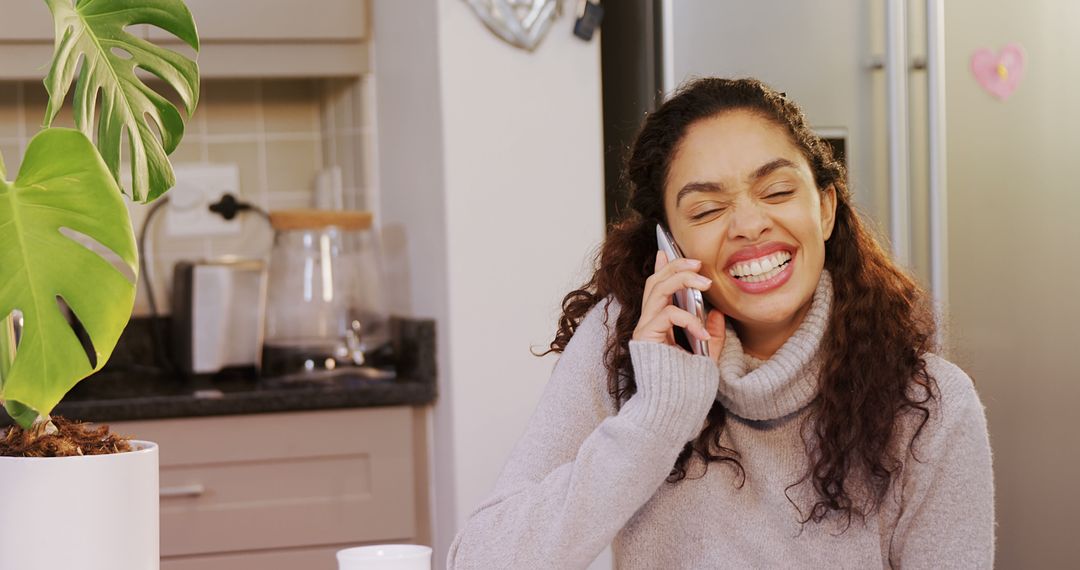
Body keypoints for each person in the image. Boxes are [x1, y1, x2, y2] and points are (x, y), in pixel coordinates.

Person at [447, 78, 994, 569]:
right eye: (707, 210)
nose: (750, 225)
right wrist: (655, 419)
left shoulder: (930, 405)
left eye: (777, 191)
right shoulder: (624, 342)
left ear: (825, 209)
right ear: (668, 243)